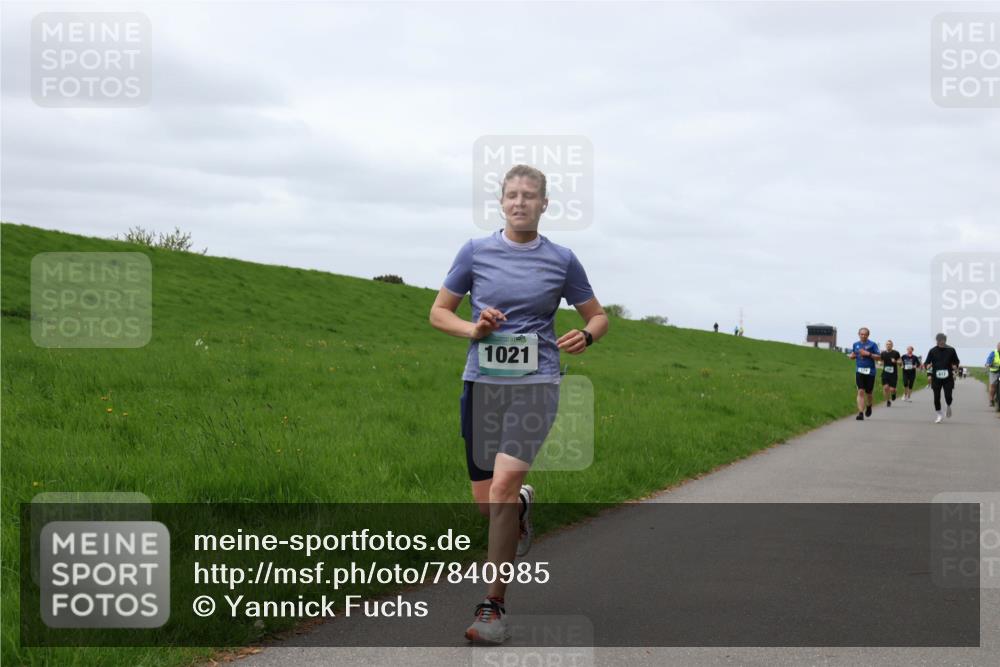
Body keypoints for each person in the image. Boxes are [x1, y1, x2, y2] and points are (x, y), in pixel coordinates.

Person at [429, 164, 608, 644]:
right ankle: (522, 507)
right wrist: (475, 329)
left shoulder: (563, 259)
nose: (520, 202)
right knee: (490, 507)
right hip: (483, 384)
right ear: (501, 201)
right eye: (512, 195)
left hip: (537, 382)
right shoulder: (476, 252)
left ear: (544, 204)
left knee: (504, 487)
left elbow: (598, 315)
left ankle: (493, 607)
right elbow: (438, 312)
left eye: (530, 195)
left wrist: (586, 336)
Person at [922, 333, 961, 423]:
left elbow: (956, 361)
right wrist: (927, 366)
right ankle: (939, 414)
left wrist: (955, 365)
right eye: (939, 341)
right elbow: (927, 362)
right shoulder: (932, 351)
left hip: (948, 377)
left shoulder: (951, 350)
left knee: (948, 396)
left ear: (945, 341)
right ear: (937, 341)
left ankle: (948, 405)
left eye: (942, 341)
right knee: (936, 397)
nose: (941, 342)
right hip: (936, 377)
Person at [849, 327, 880, 420]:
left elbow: (879, 357)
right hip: (859, 371)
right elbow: (854, 354)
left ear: (868, 335)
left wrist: (868, 354)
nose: (863, 336)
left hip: (870, 372)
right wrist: (852, 356)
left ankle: (869, 406)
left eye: (865, 334)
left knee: (869, 393)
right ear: (859, 334)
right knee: (860, 391)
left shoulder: (873, 345)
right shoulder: (855, 344)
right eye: (861, 334)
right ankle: (860, 413)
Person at [879, 340, 901, 406]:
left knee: (892, 389)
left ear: (892, 345)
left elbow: (900, 363)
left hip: (893, 374)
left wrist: (896, 362)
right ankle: (888, 401)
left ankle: (893, 394)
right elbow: (881, 361)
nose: (888, 345)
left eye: (890, 344)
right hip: (885, 373)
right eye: (887, 344)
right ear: (885, 345)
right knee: (885, 388)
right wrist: (880, 363)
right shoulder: (883, 353)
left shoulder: (896, 353)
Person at [986, 342, 1000, 407]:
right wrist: (988, 364)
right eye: (999, 346)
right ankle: (991, 400)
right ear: (997, 347)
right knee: (993, 385)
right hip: (994, 371)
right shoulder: (994, 353)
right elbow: (989, 360)